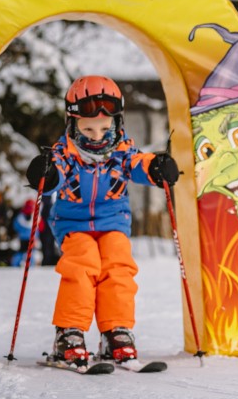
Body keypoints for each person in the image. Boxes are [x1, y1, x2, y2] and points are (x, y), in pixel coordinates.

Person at [26, 75, 179, 366]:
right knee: (83, 264)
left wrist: (157, 168)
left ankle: (116, 331)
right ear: (72, 124)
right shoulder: (66, 153)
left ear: (117, 124)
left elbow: (139, 164)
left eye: (104, 128)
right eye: (87, 129)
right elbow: (56, 173)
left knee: (117, 266)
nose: (96, 136)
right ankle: (69, 333)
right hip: (74, 224)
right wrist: (46, 174)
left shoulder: (121, 152)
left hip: (113, 222)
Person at [11, 199, 36, 266]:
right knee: (30, 252)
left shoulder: (20, 216)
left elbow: (15, 225)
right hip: (30, 237)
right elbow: (39, 227)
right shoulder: (35, 215)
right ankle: (31, 265)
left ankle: (15, 264)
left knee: (22, 251)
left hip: (23, 237)